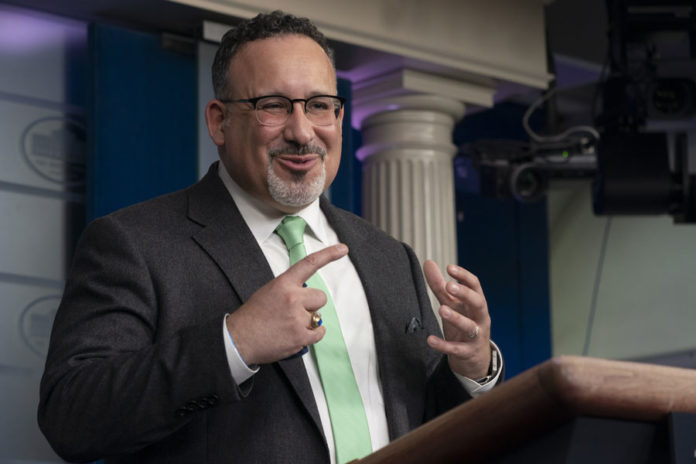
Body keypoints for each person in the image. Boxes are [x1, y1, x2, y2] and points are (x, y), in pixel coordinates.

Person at [38, 10, 502, 464]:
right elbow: (71, 417)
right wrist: (234, 343)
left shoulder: (389, 257)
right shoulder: (134, 244)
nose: (302, 132)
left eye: (319, 105)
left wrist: (472, 370)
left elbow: (425, 425)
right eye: (274, 106)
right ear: (219, 121)